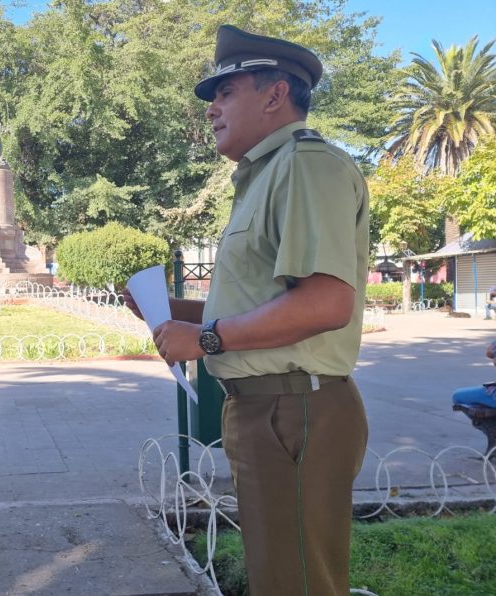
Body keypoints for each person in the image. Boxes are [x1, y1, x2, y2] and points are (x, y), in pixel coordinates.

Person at [125, 25, 369, 596]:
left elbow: (327, 301)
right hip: (274, 408)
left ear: (275, 94)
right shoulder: (266, 174)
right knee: (279, 576)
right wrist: (171, 311)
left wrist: (205, 338)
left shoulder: (304, 166)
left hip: (293, 408)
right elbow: (264, 303)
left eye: (225, 91)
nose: (211, 108)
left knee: (296, 584)